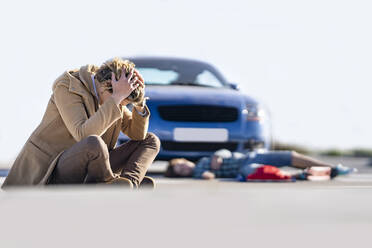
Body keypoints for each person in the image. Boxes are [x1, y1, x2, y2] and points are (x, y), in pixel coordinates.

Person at [2, 58, 160, 189]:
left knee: (150, 140)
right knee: (93, 142)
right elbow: (83, 135)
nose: (121, 106)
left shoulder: (112, 97)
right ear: (106, 87)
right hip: (54, 169)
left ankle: (129, 184)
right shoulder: (68, 87)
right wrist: (116, 99)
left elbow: (137, 135)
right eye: (121, 101)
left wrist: (139, 104)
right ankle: (108, 183)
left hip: (93, 167)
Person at [165, 149, 356, 180]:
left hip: (247, 157)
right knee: (258, 173)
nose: (184, 168)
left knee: (289, 156)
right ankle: (304, 175)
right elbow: (209, 177)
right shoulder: (198, 173)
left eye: (182, 164)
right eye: (181, 171)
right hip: (244, 169)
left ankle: (331, 167)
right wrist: (208, 175)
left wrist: (218, 155)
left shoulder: (204, 160)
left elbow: (224, 151)